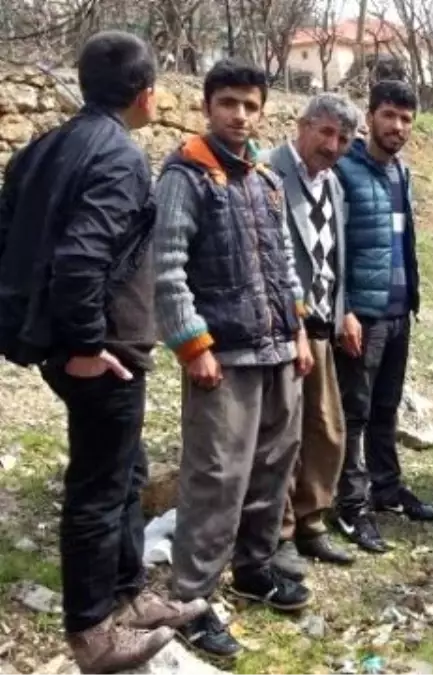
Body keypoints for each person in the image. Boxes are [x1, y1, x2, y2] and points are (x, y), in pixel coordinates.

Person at [0, 30, 205, 673]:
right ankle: (92, 632)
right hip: (102, 348)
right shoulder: (117, 156)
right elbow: (82, 256)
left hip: (55, 336)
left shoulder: (41, 148)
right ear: (146, 95)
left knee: (128, 472)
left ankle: (128, 594)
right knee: (98, 485)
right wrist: (87, 345)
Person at [154, 58, 314, 658]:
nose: (240, 116)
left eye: (250, 106)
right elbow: (167, 269)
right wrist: (192, 345)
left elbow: (285, 266)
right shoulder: (185, 177)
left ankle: (254, 570)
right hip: (223, 358)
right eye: (229, 104)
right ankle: (191, 600)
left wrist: (298, 329)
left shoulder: (266, 180)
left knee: (274, 467)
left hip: (278, 349)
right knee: (216, 477)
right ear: (208, 106)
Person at [332, 79, 433, 555]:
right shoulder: (344, 171)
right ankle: (351, 507)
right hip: (363, 316)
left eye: (407, 119)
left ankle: (387, 489)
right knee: (353, 412)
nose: (398, 126)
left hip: (398, 312)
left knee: (386, 409)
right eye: (390, 115)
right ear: (370, 116)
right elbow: (331, 248)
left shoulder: (402, 174)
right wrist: (345, 310)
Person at [263, 93, 360, 580]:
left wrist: (344, 313)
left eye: (343, 138)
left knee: (326, 428)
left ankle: (311, 520)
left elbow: (335, 258)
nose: (333, 144)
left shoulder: (334, 184)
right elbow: (272, 262)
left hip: (322, 324)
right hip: (281, 326)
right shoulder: (269, 174)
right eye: (324, 132)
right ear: (301, 126)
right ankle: (277, 535)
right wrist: (293, 324)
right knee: (283, 434)